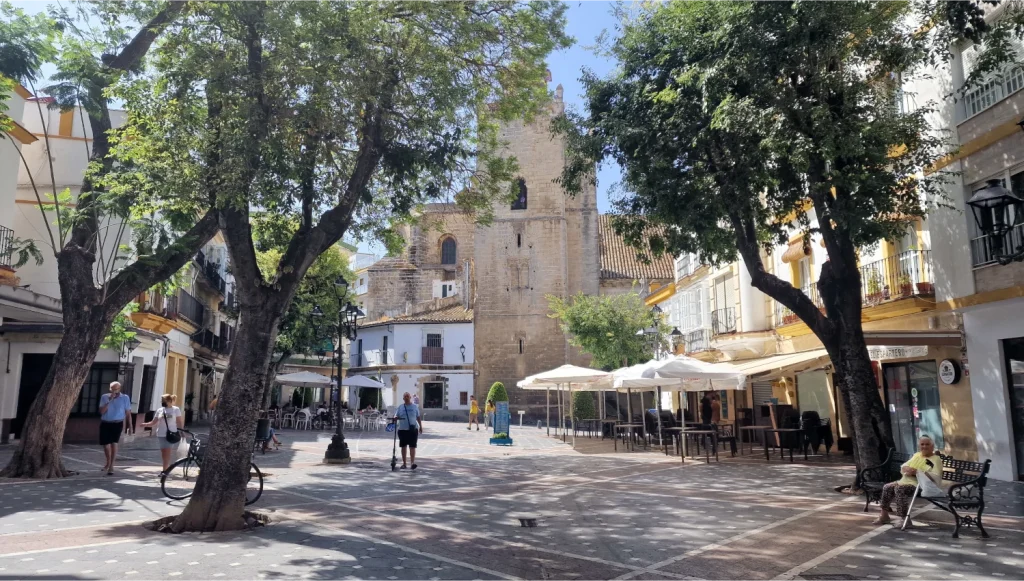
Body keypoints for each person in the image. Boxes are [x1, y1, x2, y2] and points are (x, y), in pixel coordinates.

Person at [873, 435, 944, 526]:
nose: (924, 446)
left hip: (920, 486)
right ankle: (884, 516)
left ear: (932, 446)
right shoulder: (917, 455)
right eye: (922, 444)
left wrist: (918, 473)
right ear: (919, 446)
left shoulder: (935, 459)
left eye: (927, 444)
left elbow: (936, 477)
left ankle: (904, 519)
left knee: (900, 489)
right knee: (887, 487)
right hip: (904, 481)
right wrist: (907, 468)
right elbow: (904, 465)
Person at [141, 394, 183, 473]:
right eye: (162, 401)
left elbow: (179, 421)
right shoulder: (160, 410)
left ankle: (165, 470)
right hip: (161, 433)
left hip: (171, 434)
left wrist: (182, 431)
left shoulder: (175, 410)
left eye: (164, 401)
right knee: (163, 452)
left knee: (167, 451)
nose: (162, 402)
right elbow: (154, 422)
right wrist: (145, 424)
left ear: (169, 401)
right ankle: (165, 468)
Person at [98, 381, 132, 476]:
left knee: (114, 443)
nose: (114, 391)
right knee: (105, 444)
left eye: (116, 389)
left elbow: (128, 413)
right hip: (105, 422)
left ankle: (112, 465)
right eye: (112, 389)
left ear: (119, 389)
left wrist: (130, 426)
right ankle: (108, 462)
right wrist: (109, 400)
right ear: (110, 389)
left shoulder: (125, 398)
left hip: (117, 423)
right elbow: (102, 411)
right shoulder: (104, 397)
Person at [394, 391, 422, 470]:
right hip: (402, 429)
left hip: (413, 429)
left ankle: (412, 463)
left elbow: (418, 417)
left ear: (410, 398)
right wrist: (395, 417)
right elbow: (396, 415)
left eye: (408, 396)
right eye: (405, 396)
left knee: (412, 446)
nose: (406, 398)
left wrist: (420, 427)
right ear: (403, 398)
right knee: (403, 447)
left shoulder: (414, 407)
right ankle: (404, 463)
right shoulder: (400, 407)